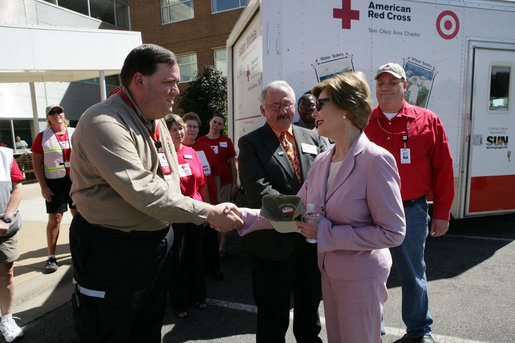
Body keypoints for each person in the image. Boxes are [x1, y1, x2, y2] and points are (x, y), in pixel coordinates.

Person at [68, 44, 242, 342]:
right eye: (169, 82)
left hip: (154, 244)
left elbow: (169, 180)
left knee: (148, 328)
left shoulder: (158, 121)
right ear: (139, 81)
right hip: (112, 251)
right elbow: (146, 193)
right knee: (108, 330)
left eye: (176, 82)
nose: (176, 90)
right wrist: (207, 213)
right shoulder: (104, 123)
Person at [237, 72, 406, 343]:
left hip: (360, 279)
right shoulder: (324, 160)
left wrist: (325, 232)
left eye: (322, 103)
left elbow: (393, 233)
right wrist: (240, 216)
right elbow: (295, 207)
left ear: (346, 109)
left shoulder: (375, 160)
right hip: (330, 274)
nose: (313, 111)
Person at [364, 63, 454, 343]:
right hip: (368, 211)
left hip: (411, 210)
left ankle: (419, 331)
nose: (386, 87)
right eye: (381, 83)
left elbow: (443, 169)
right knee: (370, 273)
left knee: (413, 273)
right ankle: (371, 331)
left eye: (393, 82)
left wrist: (441, 213)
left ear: (405, 86)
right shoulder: (364, 121)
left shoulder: (428, 120)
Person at [238, 80, 325, 343]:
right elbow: (260, 192)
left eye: (286, 104)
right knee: (272, 317)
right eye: (275, 106)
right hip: (272, 246)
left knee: (309, 313)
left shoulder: (314, 137)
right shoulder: (250, 144)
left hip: (310, 246)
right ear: (263, 111)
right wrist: (304, 216)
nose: (282, 110)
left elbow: (325, 182)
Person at [165, 114, 208, 319]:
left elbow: (202, 184)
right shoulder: (162, 155)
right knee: (177, 259)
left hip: (196, 211)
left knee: (196, 255)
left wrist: (208, 210)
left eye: (181, 128)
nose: (180, 132)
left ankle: (198, 296)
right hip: (175, 213)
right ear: (166, 132)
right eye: (174, 129)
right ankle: (179, 301)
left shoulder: (192, 152)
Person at [31, 104, 76, 273]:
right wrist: (43, 186)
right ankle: (51, 257)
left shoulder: (75, 132)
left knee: (78, 217)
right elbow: (36, 162)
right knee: (55, 218)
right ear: (48, 118)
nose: (57, 114)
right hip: (54, 183)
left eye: (59, 111)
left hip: (75, 181)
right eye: (52, 113)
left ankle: (79, 250)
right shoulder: (43, 136)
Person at [182, 112, 224, 281]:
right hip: (191, 205)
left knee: (211, 239)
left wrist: (219, 197)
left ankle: (213, 268)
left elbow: (215, 174)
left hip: (210, 200)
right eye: (188, 126)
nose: (192, 130)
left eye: (195, 127)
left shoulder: (205, 148)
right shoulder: (176, 149)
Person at [197, 113, 238, 256]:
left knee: (224, 212)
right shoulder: (201, 141)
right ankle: (209, 243)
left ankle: (222, 245)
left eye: (220, 124)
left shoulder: (226, 141)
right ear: (209, 122)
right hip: (207, 185)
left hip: (225, 183)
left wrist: (234, 183)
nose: (216, 126)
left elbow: (232, 163)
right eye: (215, 122)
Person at [0, 147, 24, 342]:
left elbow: (17, 187)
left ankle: (6, 318)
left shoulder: (5, 155)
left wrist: (6, 217)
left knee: (6, 273)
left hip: (3, 227)